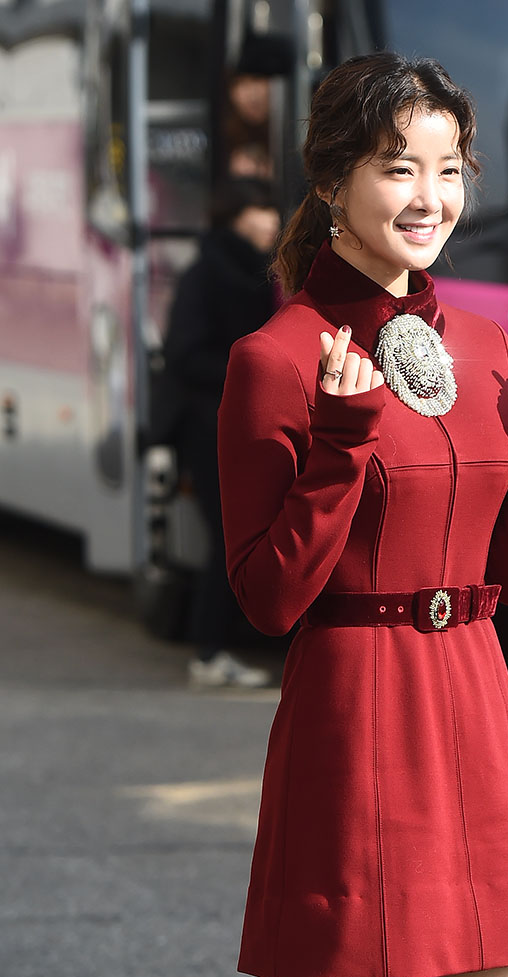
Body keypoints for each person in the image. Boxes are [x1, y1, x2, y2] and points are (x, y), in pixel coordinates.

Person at [217, 53, 508, 977]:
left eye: (448, 170)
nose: (429, 197)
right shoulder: (276, 358)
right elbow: (268, 598)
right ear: (331, 182)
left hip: (475, 700)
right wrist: (340, 444)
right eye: (397, 167)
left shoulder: (483, 345)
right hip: (352, 714)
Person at [163, 177, 281, 687]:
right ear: (235, 217)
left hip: (241, 423)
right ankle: (209, 652)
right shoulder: (206, 273)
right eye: (261, 210)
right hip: (205, 426)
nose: (273, 221)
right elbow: (184, 354)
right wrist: (252, 372)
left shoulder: (261, 270)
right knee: (228, 536)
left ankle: (219, 645)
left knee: (239, 534)